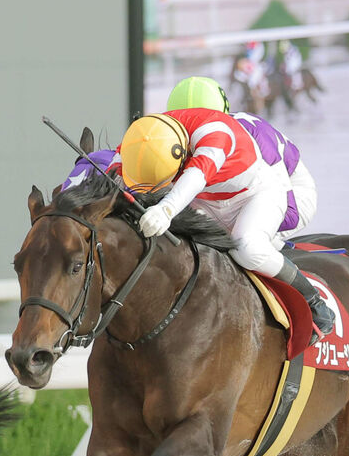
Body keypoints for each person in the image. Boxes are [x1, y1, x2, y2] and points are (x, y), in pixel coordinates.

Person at [113, 108, 335, 343]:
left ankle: (314, 302)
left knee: (248, 249)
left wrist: (165, 210)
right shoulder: (144, 135)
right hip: (207, 201)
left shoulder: (215, 132)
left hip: (256, 194)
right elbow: (113, 167)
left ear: (182, 154)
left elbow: (195, 177)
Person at [166, 75, 316, 241]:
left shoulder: (257, 138)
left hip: (293, 194)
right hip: (234, 200)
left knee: (242, 246)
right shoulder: (179, 139)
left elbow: (290, 215)